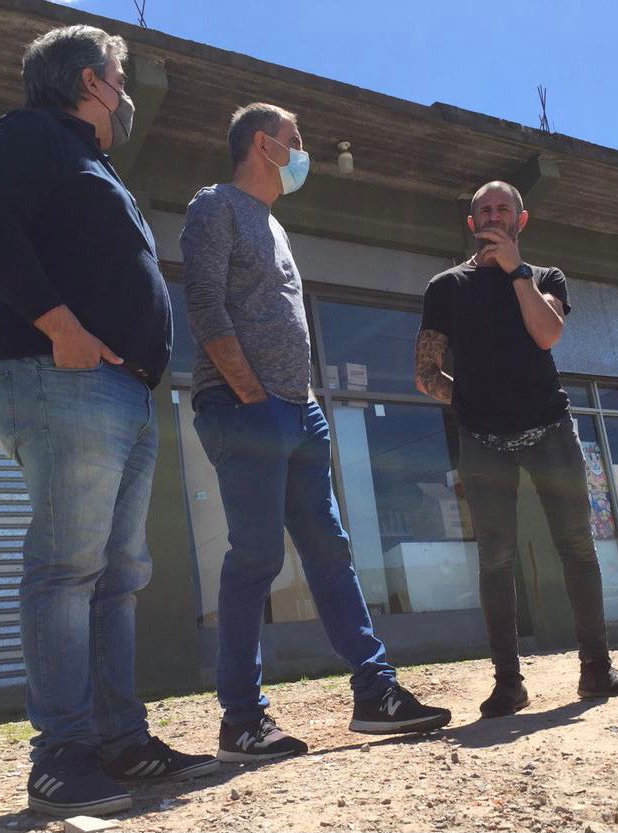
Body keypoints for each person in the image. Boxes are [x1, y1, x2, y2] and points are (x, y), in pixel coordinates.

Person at [0, 25, 217, 818]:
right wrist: (60, 325)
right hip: (60, 374)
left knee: (117, 574)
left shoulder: (92, 162)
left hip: (122, 389)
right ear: (87, 81)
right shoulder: (29, 132)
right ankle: (61, 755)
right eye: (119, 76)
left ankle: (119, 741)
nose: (124, 91)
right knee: (69, 567)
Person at [180, 102, 451, 761]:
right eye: (295, 141)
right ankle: (242, 720)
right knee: (256, 558)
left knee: (330, 550)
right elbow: (205, 304)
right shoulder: (215, 206)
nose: (303, 154)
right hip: (245, 408)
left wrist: (296, 400)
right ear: (263, 145)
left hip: (300, 412)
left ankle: (375, 692)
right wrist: (251, 392)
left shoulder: (275, 225)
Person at [414, 181, 618, 718]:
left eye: (503, 209)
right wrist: (473, 402)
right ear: (471, 223)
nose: (493, 216)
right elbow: (426, 373)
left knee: (577, 547)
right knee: (496, 559)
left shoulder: (546, 278)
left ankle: (597, 669)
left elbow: (547, 335)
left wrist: (516, 272)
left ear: (521, 220)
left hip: (550, 429)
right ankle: (508, 682)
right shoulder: (445, 286)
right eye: (483, 210)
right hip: (482, 441)